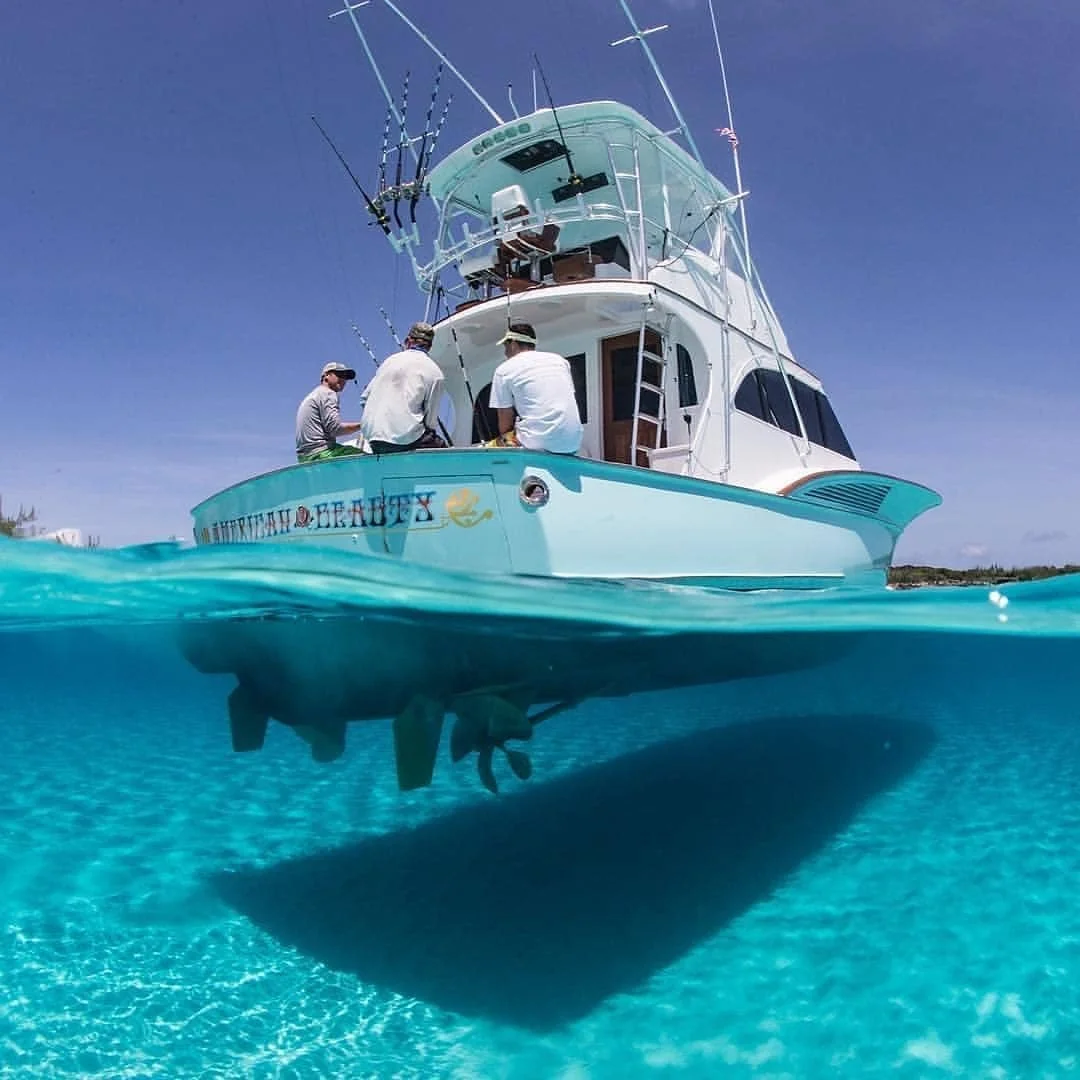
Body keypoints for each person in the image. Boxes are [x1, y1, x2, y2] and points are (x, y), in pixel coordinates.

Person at [487, 323, 583, 454]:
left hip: (538, 441)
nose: (505, 352)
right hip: (573, 441)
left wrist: (506, 441)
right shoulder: (560, 361)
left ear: (513, 344)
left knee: (488, 448)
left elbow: (505, 418)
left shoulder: (503, 370)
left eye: (506, 346)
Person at [359, 321, 447, 454]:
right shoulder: (435, 373)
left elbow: (364, 400)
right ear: (430, 346)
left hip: (372, 437)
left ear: (407, 341)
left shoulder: (388, 361)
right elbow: (430, 423)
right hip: (404, 440)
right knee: (442, 450)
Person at [295, 361, 366, 463]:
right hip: (322, 453)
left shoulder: (313, 395)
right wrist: (363, 425)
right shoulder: (328, 393)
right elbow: (335, 429)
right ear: (326, 376)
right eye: (339, 375)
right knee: (368, 459)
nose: (343, 380)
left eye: (346, 377)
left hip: (304, 458)